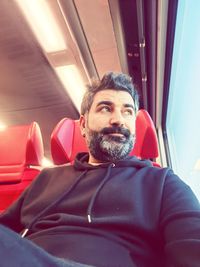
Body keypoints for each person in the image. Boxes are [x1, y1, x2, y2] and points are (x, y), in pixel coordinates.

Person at [0, 72, 200, 267]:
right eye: (106, 109)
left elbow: (193, 244)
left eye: (128, 111)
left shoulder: (162, 182)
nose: (118, 120)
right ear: (83, 125)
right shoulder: (46, 178)